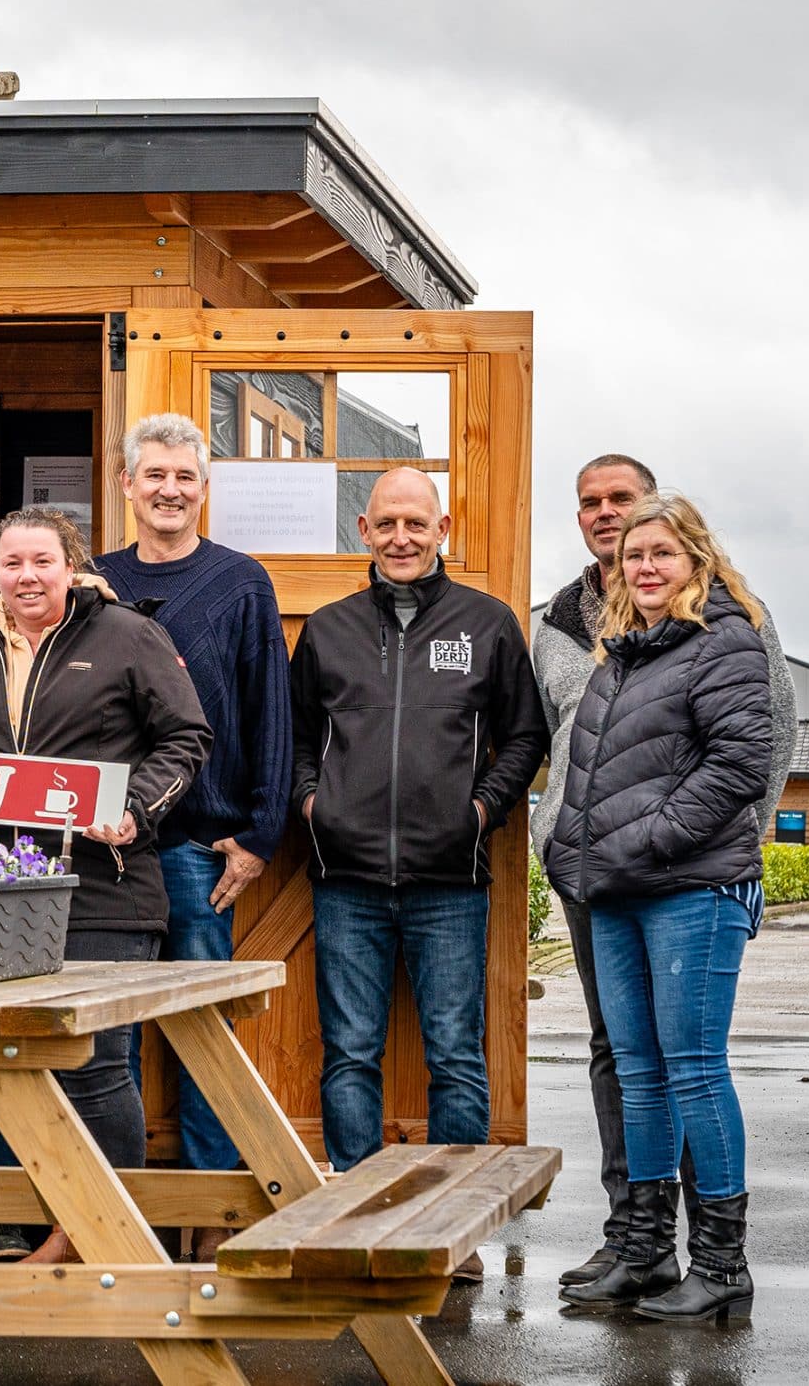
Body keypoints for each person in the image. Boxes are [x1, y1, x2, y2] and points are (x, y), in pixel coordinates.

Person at [530, 455, 794, 1290]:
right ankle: (645, 1249)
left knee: (693, 1067)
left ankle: (720, 1262)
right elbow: (577, 766)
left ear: (696, 561)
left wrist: (648, 840)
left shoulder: (727, 638)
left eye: (662, 554)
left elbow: (741, 762)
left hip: (688, 887)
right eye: (635, 556)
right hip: (610, 890)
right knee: (637, 1069)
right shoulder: (619, 650)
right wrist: (571, 853)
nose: (644, 566)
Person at [288, 467, 547, 1281]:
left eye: (417, 522)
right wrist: (310, 804)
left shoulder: (488, 623)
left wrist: (478, 813)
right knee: (350, 1052)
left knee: (456, 1055)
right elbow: (294, 738)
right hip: (347, 878)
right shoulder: (327, 629)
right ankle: (358, 1218)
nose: (402, 536)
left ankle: (452, 1228)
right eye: (386, 522)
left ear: (444, 529)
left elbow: (527, 737)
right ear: (362, 531)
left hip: (449, 882)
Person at [0, 506, 213, 1266]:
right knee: (27, 1069)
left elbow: (188, 735)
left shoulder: (128, 635)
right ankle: (72, 1223)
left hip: (107, 890)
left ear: (71, 566)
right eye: (12, 564)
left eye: (41, 562)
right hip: (6, 891)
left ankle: (108, 1235)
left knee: (97, 1068)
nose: (26, 577)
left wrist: (135, 807)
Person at [90, 413, 291, 1261]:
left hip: (200, 850)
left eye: (185, 475)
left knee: (206, 1033)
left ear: (202, 489)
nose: (170, 488)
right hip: (104, 851)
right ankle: (111, 1210)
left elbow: (270, 711)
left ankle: (214, 1211)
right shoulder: (90, 580)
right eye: (155, 474)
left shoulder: (240, 583)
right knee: (108, 1040)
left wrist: (260, 834)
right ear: (127, 485)